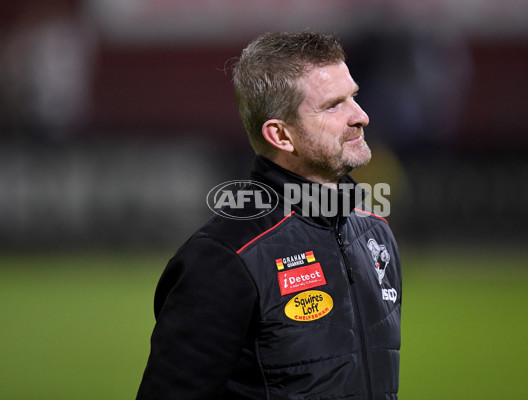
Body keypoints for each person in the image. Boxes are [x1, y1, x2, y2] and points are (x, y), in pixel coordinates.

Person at [136, 31, 402, 399]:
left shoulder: (375, 233)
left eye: (353, 97)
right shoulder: (223, 258)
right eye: (333, 105)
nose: (361, 116)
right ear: (280, 135)